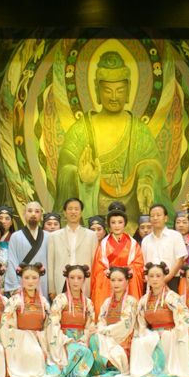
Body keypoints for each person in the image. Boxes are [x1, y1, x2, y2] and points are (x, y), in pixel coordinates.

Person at [54, 50, 169, 226]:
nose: (114, 97)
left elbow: (152, 164)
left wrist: (146, 180)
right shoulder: (81, 129)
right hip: (92, 216)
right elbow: (65, 167)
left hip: (131, 218)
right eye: (107, 90)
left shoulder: (139, 130)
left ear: (129, 89)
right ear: (97, 89)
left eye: (120, 90)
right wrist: (79, 176)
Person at [126, 262, 189, 377]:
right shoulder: (144, 300)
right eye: (151, 276)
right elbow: (141, 322)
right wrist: (143, 332)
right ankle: (145, 370)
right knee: (138, 340)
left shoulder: (171, 296)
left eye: (158, 276)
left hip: (170, 332)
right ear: (147, 278)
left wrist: (177, 330)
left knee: (165, 336)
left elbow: (184, 316)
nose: (154, 279)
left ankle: (165, 368)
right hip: (152, 333)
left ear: (164, 277)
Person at [1, 263, 55, 377]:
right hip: (20, 338)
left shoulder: (43, 301)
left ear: (39, 280)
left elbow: (49, 325)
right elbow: (6, 324)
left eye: (34, 278)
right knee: (34, 353)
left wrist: (42, 336)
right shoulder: (15, 300)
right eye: (26, 278)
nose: (30, 281)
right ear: (21, 279)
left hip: (40, 338)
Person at [90, 204, 145, 315]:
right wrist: (110, 275)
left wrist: (126, 274)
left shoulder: (133, 244)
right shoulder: (103, 244)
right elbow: (98, 269)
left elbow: (138, 265)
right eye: (113, 222)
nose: (117, 226)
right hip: (109, 283)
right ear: (109, 225)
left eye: (120, 222)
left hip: (128, 282)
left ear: (125, 223)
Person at [45, 264, 97, 377]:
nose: (75, 281)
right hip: (62, 340)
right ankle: (68, 373)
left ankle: (73, 374)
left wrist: (83, 339)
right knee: (83, 352)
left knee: (87, 350)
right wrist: (66, 340)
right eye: (72, 277)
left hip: (82, 339)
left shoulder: (88, 302)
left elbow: (90, 325)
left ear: (84, 280)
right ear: (67, 279)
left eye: (79, 278)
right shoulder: (60, 299)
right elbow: (53, 324)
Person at [88, 267, 137, 377]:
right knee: (94, 338)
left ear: (127, 281)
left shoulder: (131, 301)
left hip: (123, 338)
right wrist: (101, 330)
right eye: (113, 280)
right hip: (107, 336)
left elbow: (125, 325)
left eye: (120, 280)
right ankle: (101, 370)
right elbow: (101, 320)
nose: (116, 283)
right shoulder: (107, 302)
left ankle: (115, 368)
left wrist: (104, 331)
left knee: (101, 338)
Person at [46, 197, 98, 300]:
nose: (73, 212)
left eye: (76, 209)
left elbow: (94, 263)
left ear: (81, 212)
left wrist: (93, 287)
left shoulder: (91, 235)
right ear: (65, 212)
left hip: (84, 281)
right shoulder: (54, 236)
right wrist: (51, 288)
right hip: (62, 282)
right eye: (70, 209)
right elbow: (50, 264)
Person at [4, 201, 49, 298]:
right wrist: (14, 286)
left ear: (41, 215)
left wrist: (52, 288)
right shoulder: (15, 236)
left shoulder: (48, 237)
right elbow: (12, 261)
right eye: (30, 211)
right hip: (21, 282)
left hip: (42, 282)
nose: (33, 214)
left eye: (37, 211)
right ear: (24, 214)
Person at [140, 203, 188, 293]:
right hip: (152, 282)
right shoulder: (145, 240)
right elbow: (144, 263)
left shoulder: (175, 236)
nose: (155, 218)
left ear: (165, 218)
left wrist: (167, 278)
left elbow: (180, 260)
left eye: (158, 215)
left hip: (172, 280)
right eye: (152, 216)